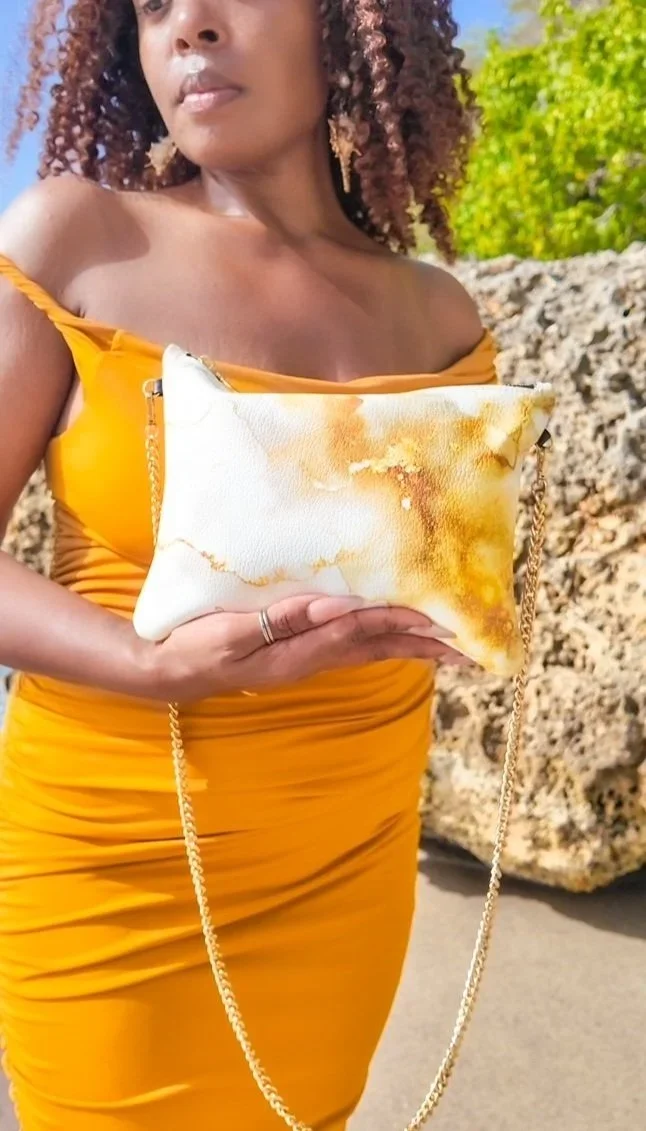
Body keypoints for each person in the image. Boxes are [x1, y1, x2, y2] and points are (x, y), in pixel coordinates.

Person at [0, 2, 499, 1128]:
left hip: (350, 853)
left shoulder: (439, 317)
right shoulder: (79, 242)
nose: (189, 27)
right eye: (152, 7)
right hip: (115, 868)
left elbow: (439, 594)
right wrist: (151, 662)